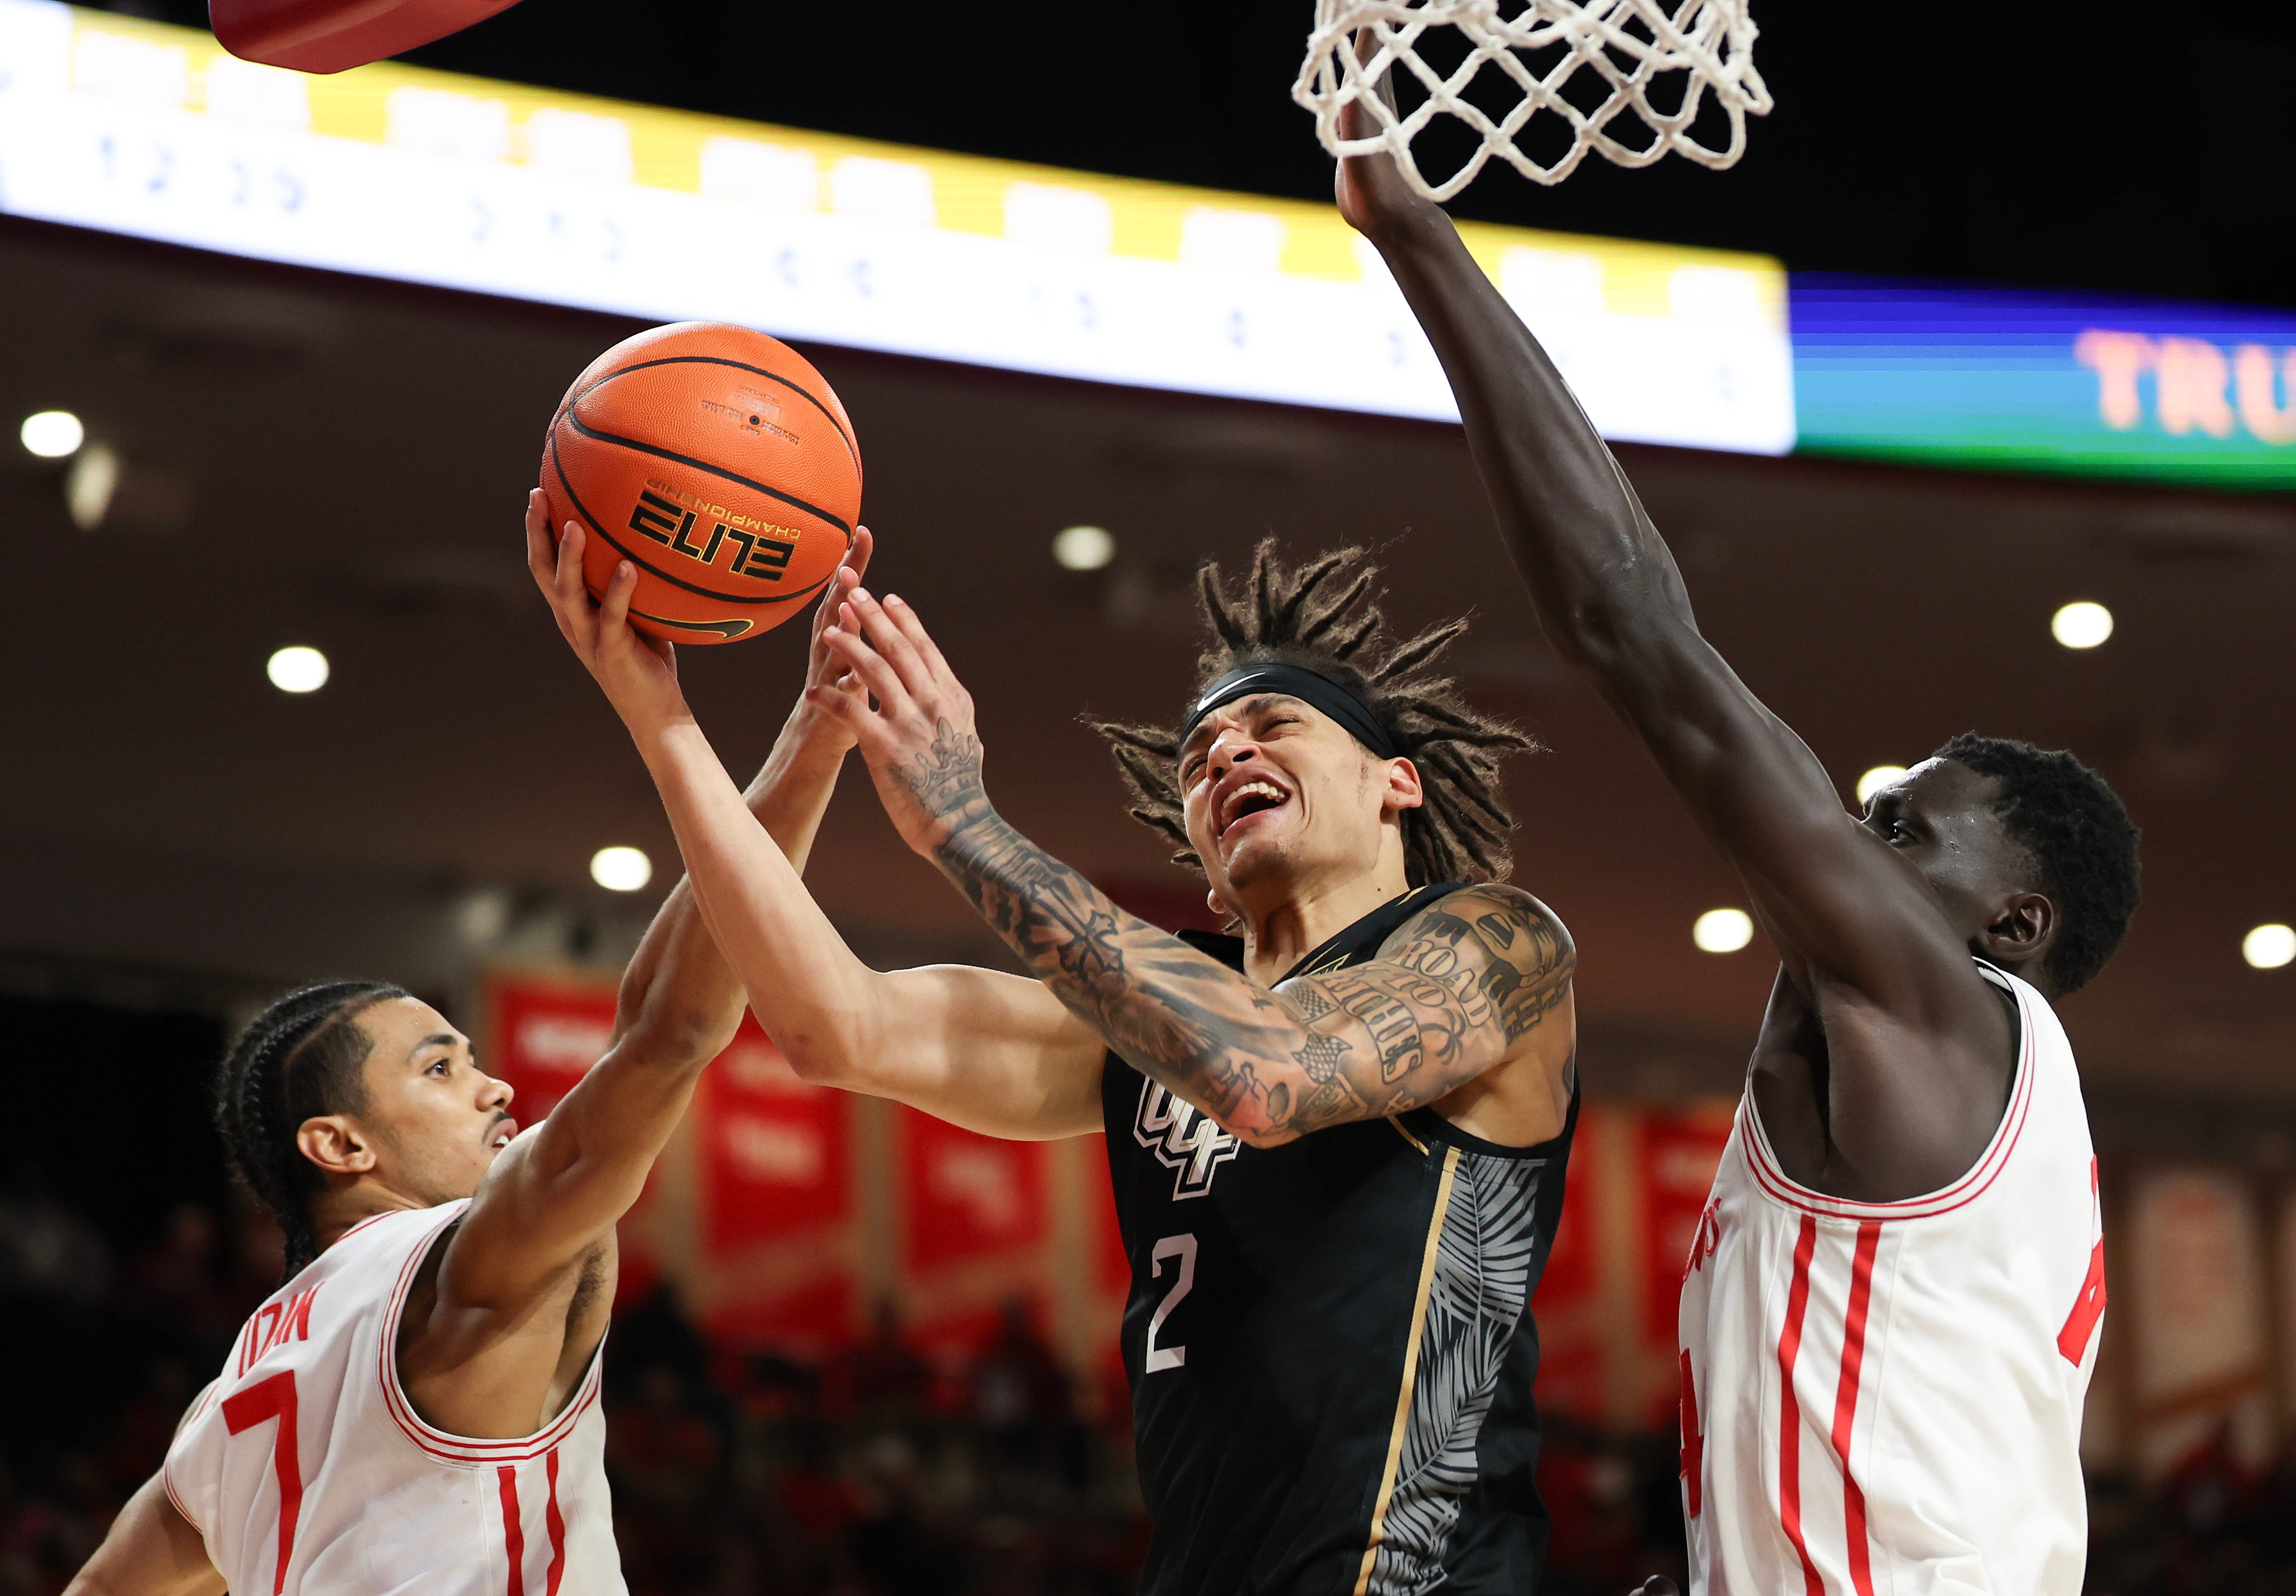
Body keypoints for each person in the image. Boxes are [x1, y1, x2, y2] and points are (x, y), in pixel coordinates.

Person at [1333, 70, 2141, 1596]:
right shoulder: (1946, 1105)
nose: (1846, 830)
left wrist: (1418, 237)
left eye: (1903, 832)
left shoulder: (1943, 1007)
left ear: (2008, 924)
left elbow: (1632, 629)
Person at [536, 505, 1583, 1591]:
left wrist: (961, 822)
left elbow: (1270, 1075)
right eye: (1196, 760)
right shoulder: (1145, 1025)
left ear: (1395, 782)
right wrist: (701, 725)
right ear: (1205, 867)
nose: (1226, 751)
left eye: (1274, 725)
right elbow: (832, 1025)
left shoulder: (1494, 945)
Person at [60, 501, 873, 1596]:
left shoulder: (231, 1403)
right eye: (439, 1067)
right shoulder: (464, 1265)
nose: (494, 1087)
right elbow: (671, 1030)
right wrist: (799, 738)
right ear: (339, 1144)